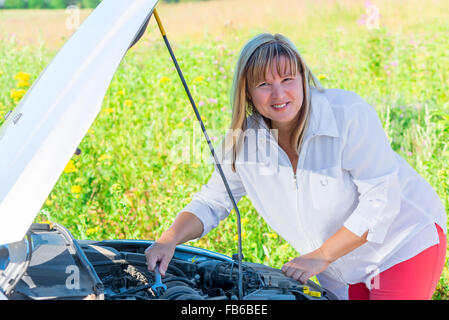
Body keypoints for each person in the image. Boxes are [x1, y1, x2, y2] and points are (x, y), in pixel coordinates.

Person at [145, 33, 447, 300]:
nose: (279, 94)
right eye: (264, 84)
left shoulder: (347, 114)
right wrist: (169, 240)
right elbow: (213, 201)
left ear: (303, 77)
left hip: (400, 245)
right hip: (335, 268)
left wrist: (321, 255)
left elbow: (381, 200)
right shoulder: (244, 143)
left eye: (287, 79)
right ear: (247, 92)